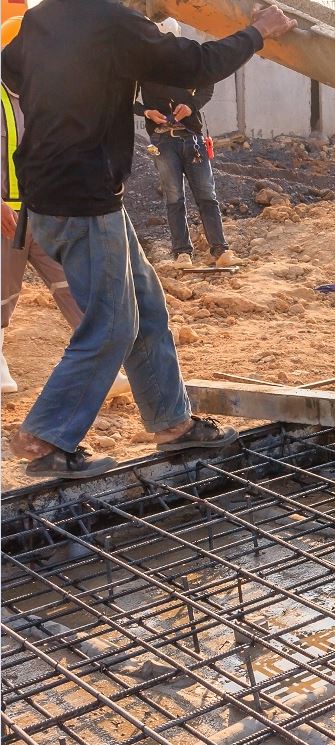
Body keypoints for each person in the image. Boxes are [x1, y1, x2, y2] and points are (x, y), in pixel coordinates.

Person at [1, 1, 295, 478]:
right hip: (84, 198)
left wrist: (111, 88)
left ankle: (172, 424)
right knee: (113, 324)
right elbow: (198, 64)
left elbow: (14, 75)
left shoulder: (43, 19)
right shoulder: (113, 22)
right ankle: (48, 436)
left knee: (146, 304)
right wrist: (259, 31)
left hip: (50, 193)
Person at [1, 15, 129, 396]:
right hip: (6, 211)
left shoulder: (42, 92)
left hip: (44, 206)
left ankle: (100, 367)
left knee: (71, 283)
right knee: (4, 288)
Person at [137, 18, 240, 268]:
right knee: (174, 197)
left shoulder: (189, 60)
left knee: (206, 195)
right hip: (162, 140)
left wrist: (191, 106)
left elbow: (207, 87)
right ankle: (182, 253)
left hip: (191, 139)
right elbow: (125, 100)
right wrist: (147, 112)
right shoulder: (140, 66)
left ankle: (220, 250)